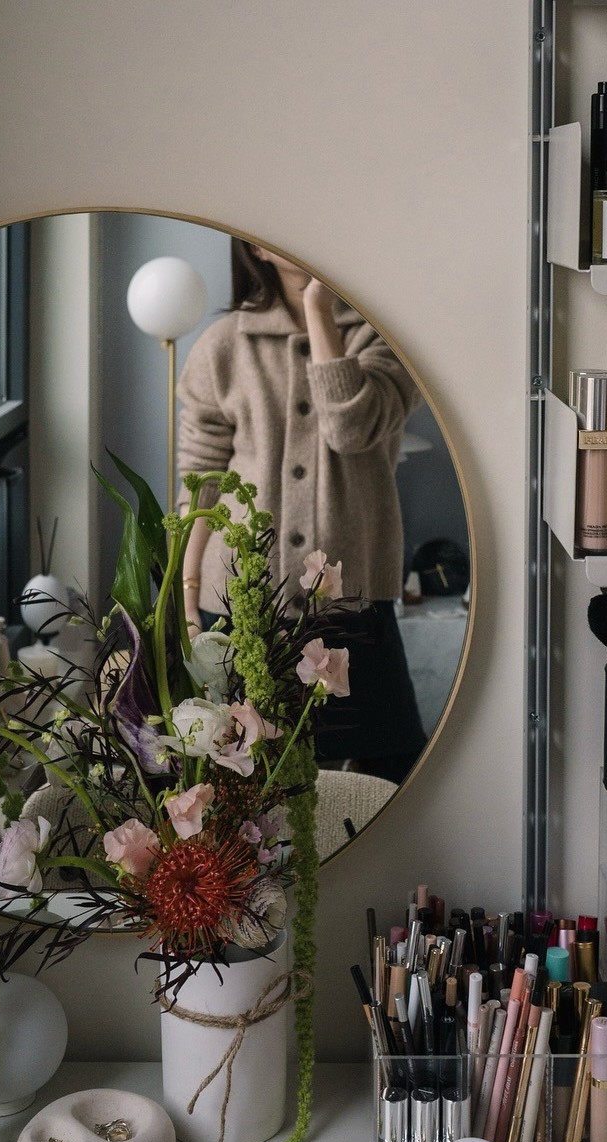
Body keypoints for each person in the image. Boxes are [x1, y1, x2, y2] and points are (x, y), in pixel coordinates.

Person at [176, 240, 426, 784]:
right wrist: (187, 593)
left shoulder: (385, 339)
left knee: (396, 771)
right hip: (239, 603)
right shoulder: (223, 346)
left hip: (354, 601)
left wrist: (319, 305)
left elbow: (350, 428)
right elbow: (201, 485)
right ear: (254, 249)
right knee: (244, 782)